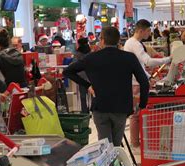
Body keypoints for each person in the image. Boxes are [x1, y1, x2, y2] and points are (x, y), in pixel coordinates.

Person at [63, 27, 149, 146]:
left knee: (104, 146)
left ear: (102, 40)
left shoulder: (91, 58)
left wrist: (87, 86)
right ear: (118, 41)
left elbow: (67, 72)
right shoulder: (129, 58)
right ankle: (115, 162)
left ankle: (107, 162)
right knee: (116, 145)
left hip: (100, 106)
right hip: (121, 107)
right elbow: (144, 81)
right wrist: (142, 104)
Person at [124, 19, 171, 149]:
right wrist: (168, 59)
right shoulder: (135, 44)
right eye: (148, 31)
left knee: (137, 114)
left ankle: (136, 142)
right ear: (141, 30)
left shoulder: (133, 43)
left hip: (136, 80)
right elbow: (148, 61)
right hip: (135, 83)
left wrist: (149, 77)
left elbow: (140, 65)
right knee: (136, 115)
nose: (150, 33)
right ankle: (135, 143)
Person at [74, 38, 91, 113]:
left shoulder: (77, 53)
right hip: (90, 75)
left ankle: (84, 110)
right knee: (92, 93)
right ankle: (92, 109)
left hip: (81, 76)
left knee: (83, 95)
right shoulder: (90, 51)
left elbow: (75, 64)